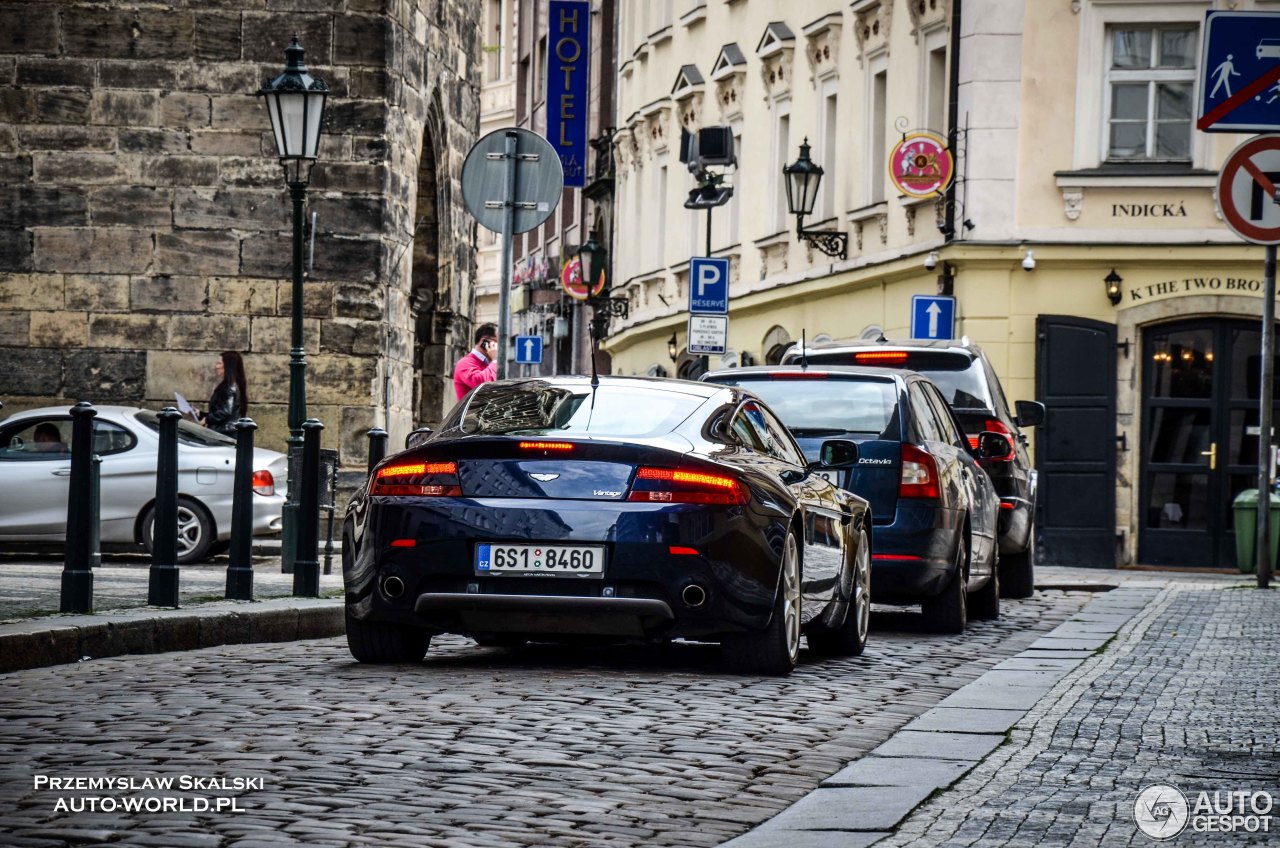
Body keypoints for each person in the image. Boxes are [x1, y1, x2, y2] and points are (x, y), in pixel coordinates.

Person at [199, 351, 249, 437]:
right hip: (226, 433)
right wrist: (202, 414)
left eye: (219, 363)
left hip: (225, 434)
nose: (216, 366)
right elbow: (223, 409)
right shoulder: (231, 385)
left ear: (228, 366)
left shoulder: (230, 387)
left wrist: (207, 419)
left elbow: (225, 411)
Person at [453, 323, 499, 400]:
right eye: (498, 342)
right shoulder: (465, 363)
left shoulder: (489, 365)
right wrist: (495, 361)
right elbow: (482, 383)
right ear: (485, 342)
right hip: (473, 411)